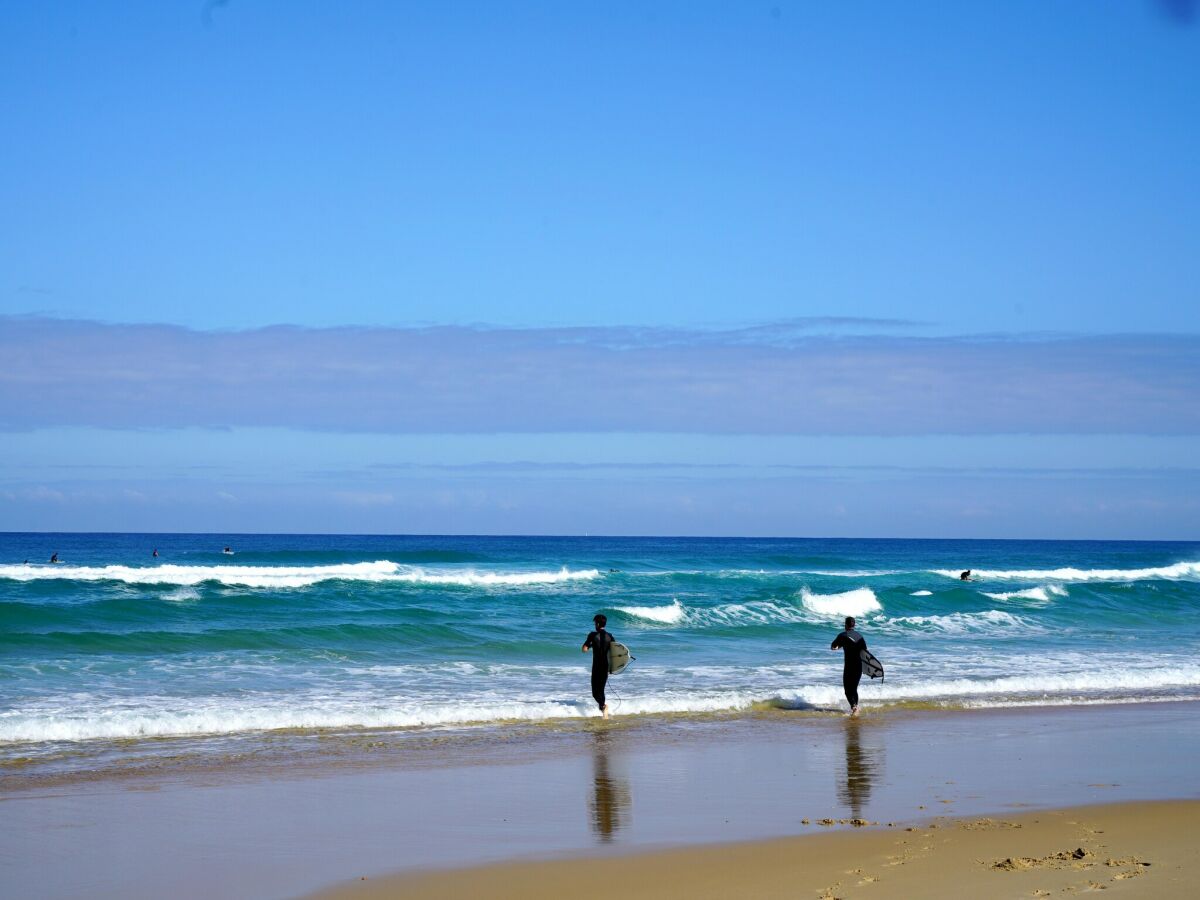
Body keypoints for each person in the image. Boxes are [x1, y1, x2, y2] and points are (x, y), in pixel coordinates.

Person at [830, 616, 867, 717]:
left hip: (849, 667)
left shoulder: (843, 635)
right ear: (854, 625)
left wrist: (837, 647)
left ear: (845, 625)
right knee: (854, 689)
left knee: (847, 690)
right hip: (859, 667)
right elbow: (865, 653)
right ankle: (855, 708)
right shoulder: (860, 636)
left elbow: (833, 645)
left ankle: (854, 707)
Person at [582, 613, 615, 719]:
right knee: (601, 689)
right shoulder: (610, 636)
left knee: (595, 692)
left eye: (595, 623)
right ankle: (603, 709)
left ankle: (603, 706)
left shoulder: (592, 635)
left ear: (597, 623)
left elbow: (584, 649)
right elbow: (614, 652)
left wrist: (591, 645)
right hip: (605, 666)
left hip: (596, 666)